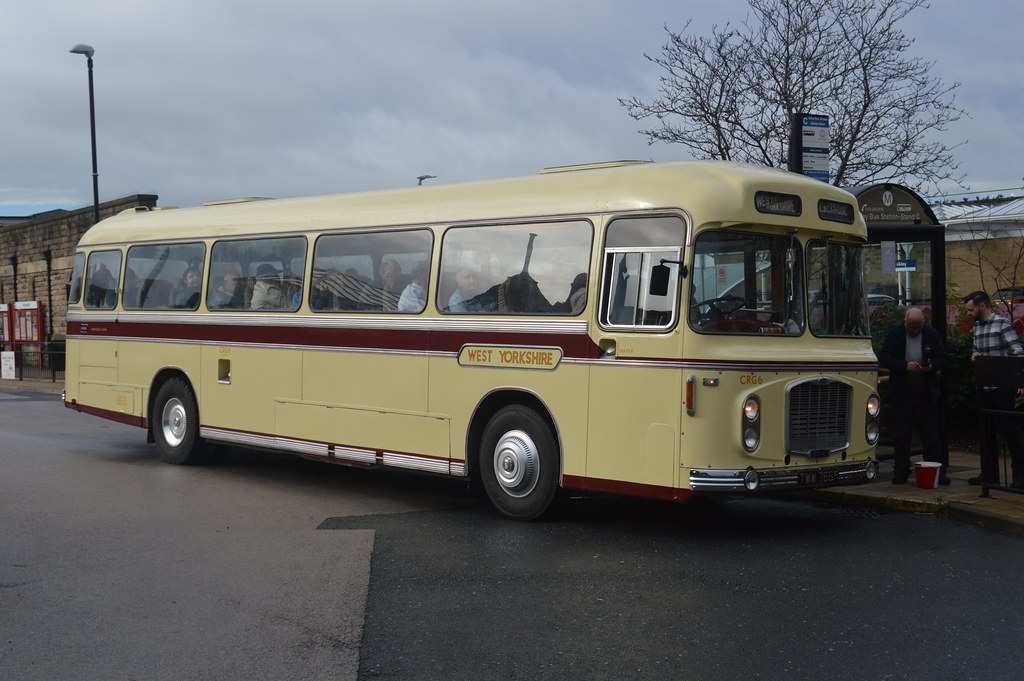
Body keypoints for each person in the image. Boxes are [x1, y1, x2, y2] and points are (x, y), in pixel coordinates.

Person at [878, 307, 948, 484]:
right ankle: (901, 471)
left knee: (931, 437)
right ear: (905, 323)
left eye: (918, 328)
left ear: (923, 324)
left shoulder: (931, 334)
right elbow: (884, 357)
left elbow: (942, 356)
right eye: (911, 328)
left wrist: (932, 367)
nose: (915, 331)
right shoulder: (895, 334)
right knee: (902, 436)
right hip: (902, 394)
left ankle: (936, 472)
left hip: (926, 394)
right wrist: (904, 366)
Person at [962, 290, 1024, 487]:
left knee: (1009, 431)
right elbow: (975, 351)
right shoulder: (977, 327)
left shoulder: (1002, 323)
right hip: (984, 385)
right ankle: (989, 475)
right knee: (986, 432)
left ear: (983, 306)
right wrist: (975, 357)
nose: (969, 314)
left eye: (971, 310)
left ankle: (1019, 477)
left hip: (1002, 386)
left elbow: (1017, 352)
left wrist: (1019, 382)